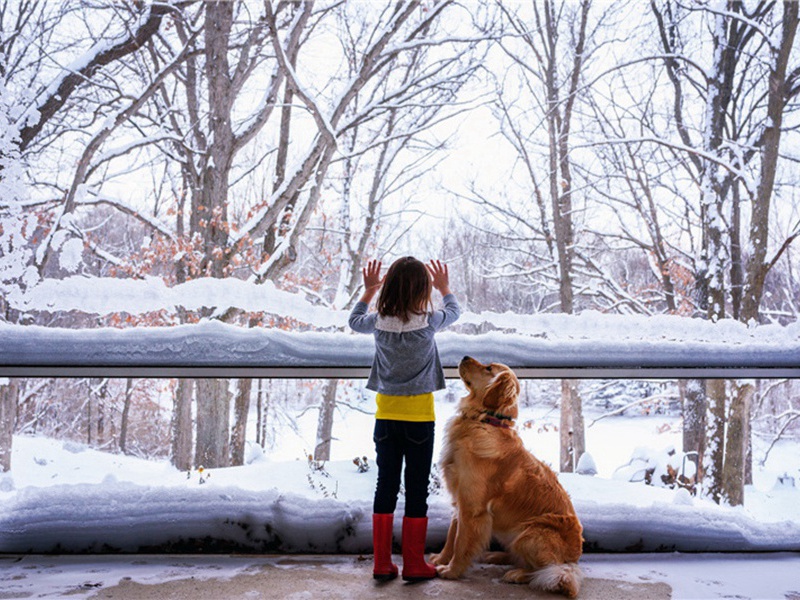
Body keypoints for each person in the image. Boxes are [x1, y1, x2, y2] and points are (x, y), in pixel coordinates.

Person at [349, 256, 461, 582]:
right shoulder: (429, 321)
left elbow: (354, 320)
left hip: (386, 418)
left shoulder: (378, 322)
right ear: (423, 290)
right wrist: (445, 288)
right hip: (420, 420)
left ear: (389, 287)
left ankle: (382, 563)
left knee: (385, 486)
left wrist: (369, 291)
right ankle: (414, 563)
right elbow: (455, 312)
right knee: (416, 490)